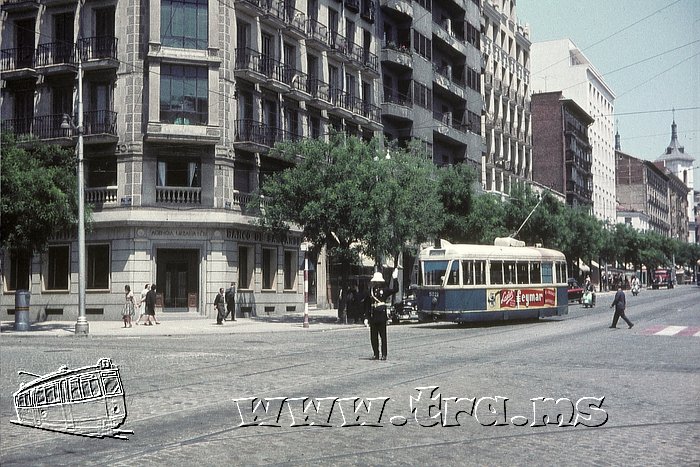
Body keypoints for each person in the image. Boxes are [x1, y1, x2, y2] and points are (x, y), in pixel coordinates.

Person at [363, 268, 399, 361]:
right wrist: (366, 317)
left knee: (383, 337)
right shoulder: (370, 291)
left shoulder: (385, 290)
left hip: (381, 316)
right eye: (375, 281)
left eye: (378, 281)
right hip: (373, 315)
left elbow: (395, 289)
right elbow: (367, 305)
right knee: (373, 337)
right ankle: (376, 354)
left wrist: (395, 278)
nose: (377, 283)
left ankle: (384, 354)